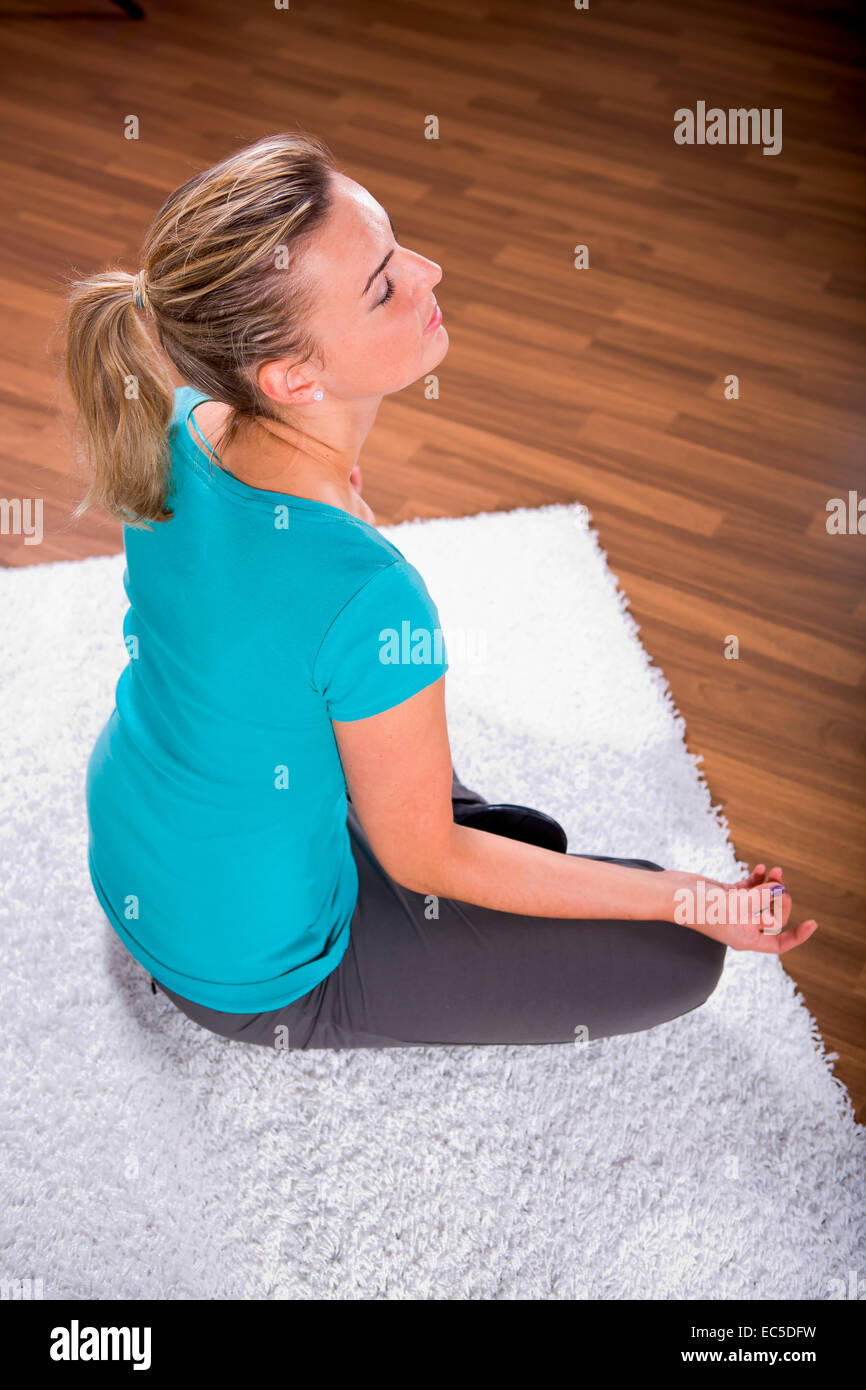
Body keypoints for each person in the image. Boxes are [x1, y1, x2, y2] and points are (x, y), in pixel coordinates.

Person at [62, 132, 818, 1052]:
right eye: (383, 283)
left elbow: (265, 616)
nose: (430, 271)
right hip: (251, 973)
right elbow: (427, 857)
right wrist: (686, 898)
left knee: (388, 747)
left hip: (136, 844)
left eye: (396, 247)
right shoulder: (371, 596)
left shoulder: (180, 426)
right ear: (292, 378)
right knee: (684, 954)